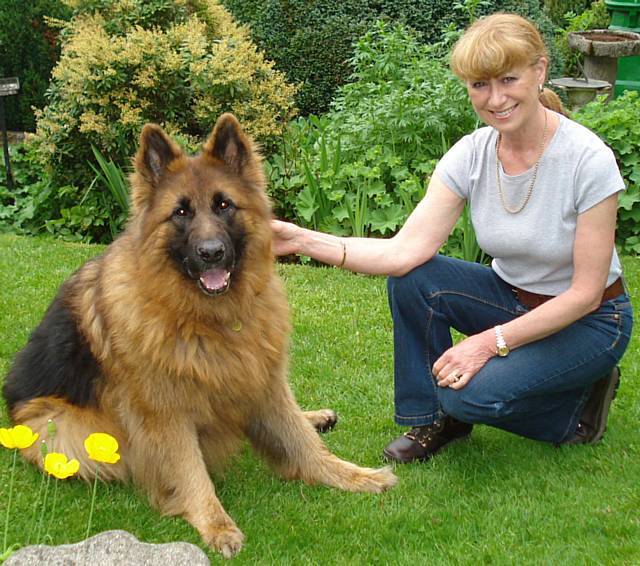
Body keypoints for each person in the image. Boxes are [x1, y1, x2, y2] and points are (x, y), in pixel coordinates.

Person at [271, 13, 633, 464]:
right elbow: (403, 252)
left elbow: (583, 295)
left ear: (539, 71)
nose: (495, 99)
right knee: (413, 279)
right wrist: (302, 239)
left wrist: (487, 342)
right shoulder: (471, 154)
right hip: (513, 296)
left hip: (592, 320)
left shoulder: (587, 160)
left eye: (508, 79)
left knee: (470, 397)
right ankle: (433, 419)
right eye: (480, 85)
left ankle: (578, 410)